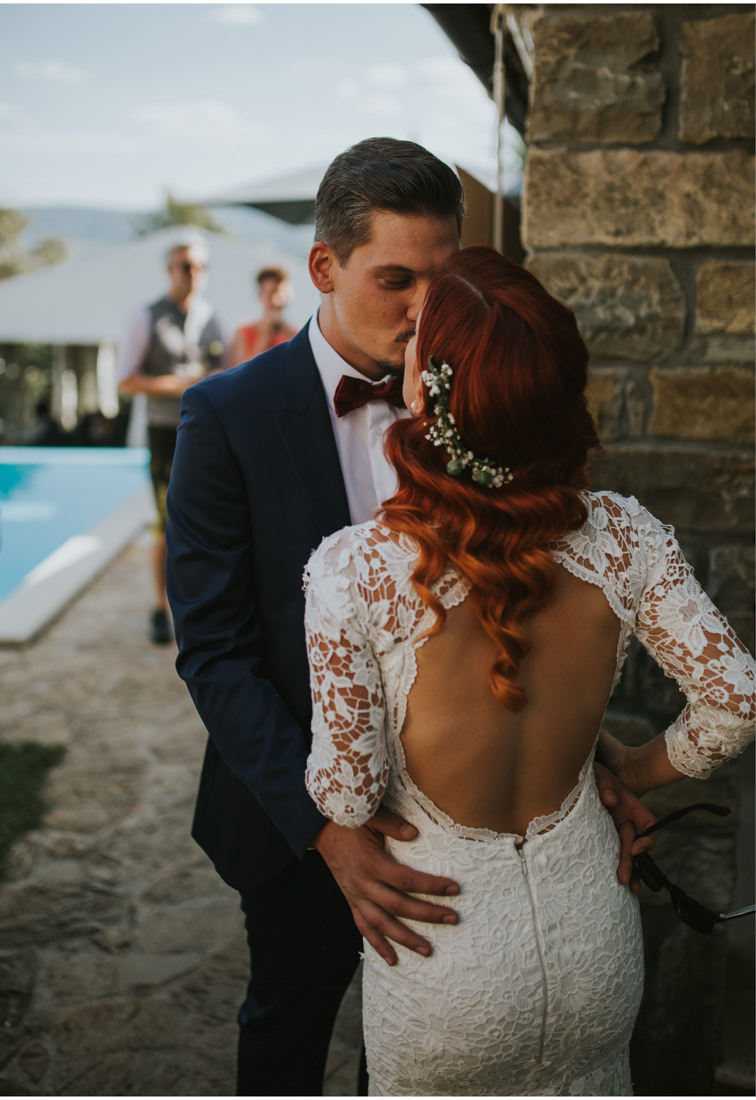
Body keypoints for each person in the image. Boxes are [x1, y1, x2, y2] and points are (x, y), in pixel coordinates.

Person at [165, 139, 654, 1097]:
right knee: (287, 1030)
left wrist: (580, 757)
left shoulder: (495, 393)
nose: (426, 311)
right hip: (300, 821)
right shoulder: (224, 417)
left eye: (443, 281)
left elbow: (532, 601)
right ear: (324, 267)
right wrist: (325, 832)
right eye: (395, 280)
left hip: (473, 827)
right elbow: (216, 653)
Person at [303, 245, 756, 1095]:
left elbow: (349, 796)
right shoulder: (623, 536)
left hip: (444, 960)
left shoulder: (354, 569)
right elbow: (735, 701)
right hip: (594, 944)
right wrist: (634, 766)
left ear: (427, 394)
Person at [118, 235, 225, 645]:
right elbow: (126, 380)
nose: (192, 273)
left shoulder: (212, 317)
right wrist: (184, 384)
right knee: (165, 521)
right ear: (170, 270)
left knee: (207, 518)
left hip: (206, 432)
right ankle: (161, 608)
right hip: (165, 431)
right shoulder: (146, 317)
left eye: (199, 266)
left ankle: (201, 603)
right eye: (185, 266)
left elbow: (225, 369)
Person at [229, 265, 298, 366]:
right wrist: (266, 337)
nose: (275, 300)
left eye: (280, 293)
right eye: (270, 293)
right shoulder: (243, 332)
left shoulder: (295, 336)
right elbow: (239, 371)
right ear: (260, 295)